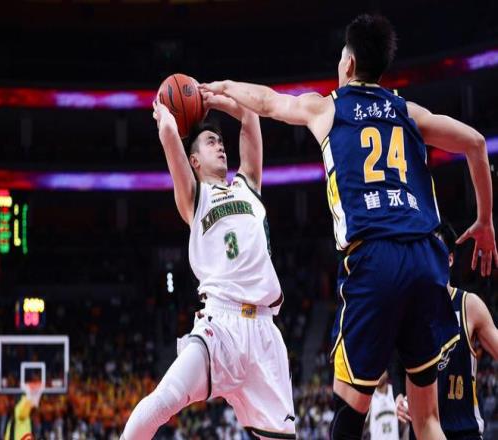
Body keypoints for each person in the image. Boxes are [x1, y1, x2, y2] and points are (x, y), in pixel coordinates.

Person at [200, 13, 497, 439]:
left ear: (349, 64)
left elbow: (266, 101)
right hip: (427, 258)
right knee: (427, 417)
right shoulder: (408, 111)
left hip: (375, 256)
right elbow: (475, 143)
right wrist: (485, 221)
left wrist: (222, 88)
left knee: (349, 403)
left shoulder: (327, 107)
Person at [121, 92, 296, 439]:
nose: (221, 147)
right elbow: (170, 135)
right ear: (195, 160)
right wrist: (167, 114)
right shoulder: (194, 197)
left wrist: (216, 100)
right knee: (162, 402)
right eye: (211, 142)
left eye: (221, 142)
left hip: (265, 332)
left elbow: (250, 116)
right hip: (222, 325)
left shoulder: (248, 186)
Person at [394, 222, 498, 439]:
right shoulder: (409, 309)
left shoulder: (469, 305)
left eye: (435, 252)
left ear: (449, 259)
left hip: (463, 431)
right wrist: (398, 396)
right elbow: (396, 362)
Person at [367, 371, 399, 440]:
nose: (378, 375)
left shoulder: (396, 392)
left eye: (381, 371)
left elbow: (404, 423)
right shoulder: (369, 396)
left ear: (387, 372)